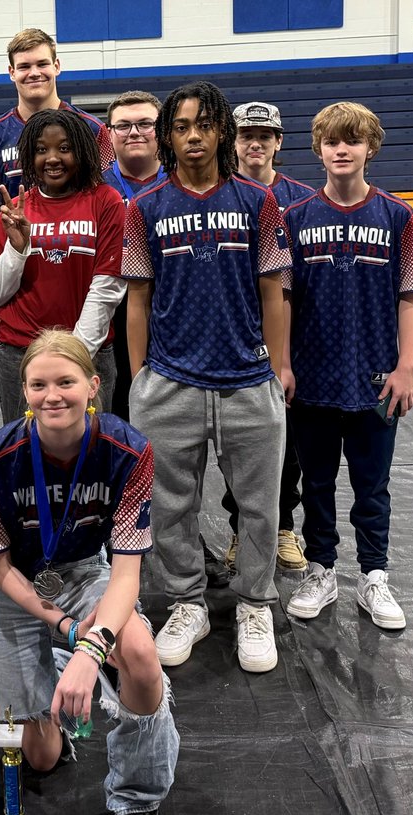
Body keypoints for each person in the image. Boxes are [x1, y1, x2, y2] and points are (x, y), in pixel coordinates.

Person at [0, 329, 175, 815]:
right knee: (40, 759)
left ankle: (137, 801)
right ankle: (59, 668)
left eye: (65, 382)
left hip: (86, 572)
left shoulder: (129, 450)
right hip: (20, 585)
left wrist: (93, 648)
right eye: (38, 384)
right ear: (24, 391)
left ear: (93, 386)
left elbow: (127, 575)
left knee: (139, 655)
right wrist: (65, 629)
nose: (52, 395)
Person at [124, 82, 291, 674]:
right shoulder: (144, 207)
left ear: (221, 131)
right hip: (170, 383)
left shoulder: (257, 202)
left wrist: (277, 367)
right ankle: (188, 602)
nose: (193, 136)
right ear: (168, 136)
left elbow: (274, 292)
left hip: (248, 381)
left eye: (203, 125)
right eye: (181, 126)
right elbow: (137, 299)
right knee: (170, 508)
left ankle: (254, 603)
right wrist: (142, 376)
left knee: (259, 507)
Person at [281, 102, 413, 630]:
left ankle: (374, 575)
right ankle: (320, 569)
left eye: (352, 142)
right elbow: (285, 301)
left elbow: (409, 296)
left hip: (375, 378)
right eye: (331, 142)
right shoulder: (295, 218)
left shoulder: (397, 216)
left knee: (373, 486)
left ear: (370, 148)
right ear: (317, 149)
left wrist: (406, 366)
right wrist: (284, 363)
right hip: (312, 378)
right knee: (316, 483)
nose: (341, 151)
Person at [216, 102, 317, 574]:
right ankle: (241, 529)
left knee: (287, 441)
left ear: (279, 141)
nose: (254, 143)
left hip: (289, 338)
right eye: (245, 135)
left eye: (264, 135)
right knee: (237, 442)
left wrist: (288, 354)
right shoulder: (217, 196)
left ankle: (281, 526)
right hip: (230, 338)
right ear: (232, 142)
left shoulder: (301, 201)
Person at [0, 108, 125, 423]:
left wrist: (71, 355)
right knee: (23, 458)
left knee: (90, 460)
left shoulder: (106, 200)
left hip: (88, 355)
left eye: (64, 148)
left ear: (83, 151)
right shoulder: (18, 209)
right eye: (41, 150)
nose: (52, 158)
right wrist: (17, 249)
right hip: (20, 354)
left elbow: (108, 285)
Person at [0, 28, 114, 241]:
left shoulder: (92, 129)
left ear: (56, 66)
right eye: (24, 66)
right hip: (16, 253)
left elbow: (107, 203)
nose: (34, 73)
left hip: (79, 251)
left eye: (42, 64)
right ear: (12, 72)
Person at [102, 90, 165, 422]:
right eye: (123, 126)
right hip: (111, 309)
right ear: (109, 133)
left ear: (162, 129)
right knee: (118, 410)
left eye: (145, 123)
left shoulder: (181, 182)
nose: (134, 132)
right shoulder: (94, 187)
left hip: (169, 306)